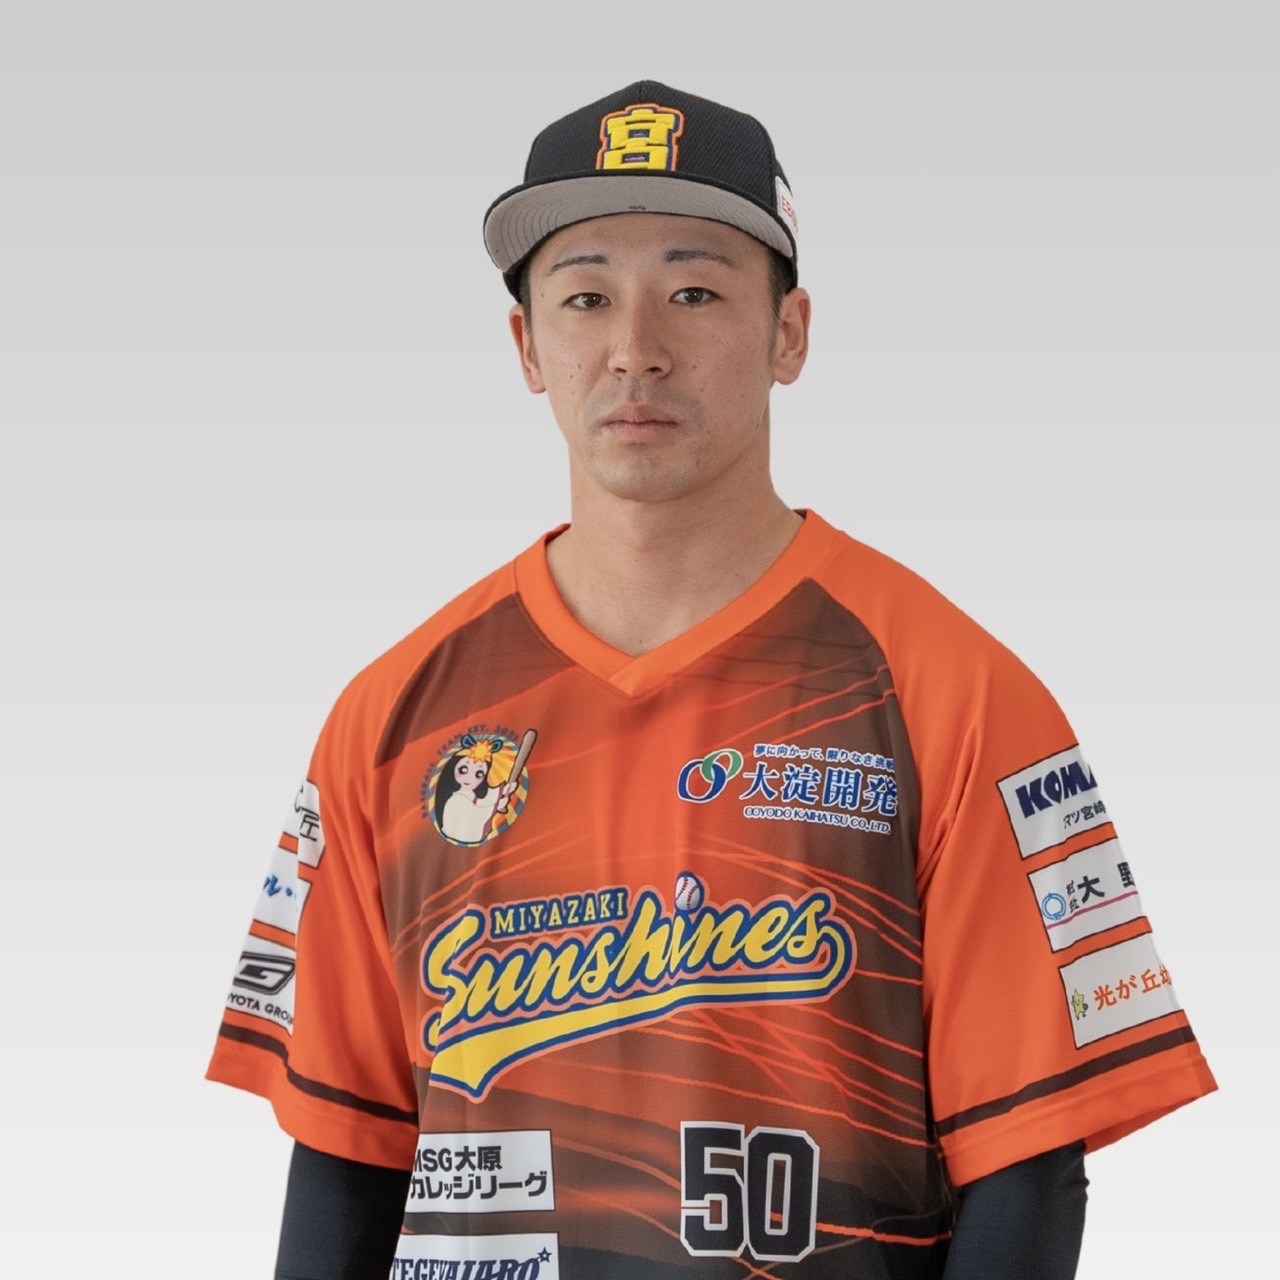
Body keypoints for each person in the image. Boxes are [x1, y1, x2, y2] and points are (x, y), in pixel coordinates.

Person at [207, 81, 1217, 1280]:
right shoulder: (389, 714)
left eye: (694, 291)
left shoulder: (955, 692)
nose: (635, 346)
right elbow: (346, 1152)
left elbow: (1029, 1166)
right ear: (527, 345)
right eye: (585, 295)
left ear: (789, 333)